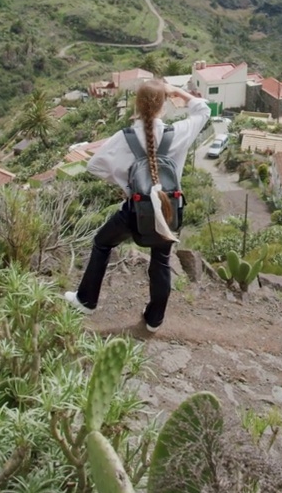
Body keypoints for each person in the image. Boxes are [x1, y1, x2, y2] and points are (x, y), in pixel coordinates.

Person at [64, 80, 211, 332]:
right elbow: (204, 110)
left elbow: (94, 166)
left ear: (137, 105)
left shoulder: (125, 137)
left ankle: (86, 301)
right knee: (161, 259)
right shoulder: (179, 132)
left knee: (102, 242)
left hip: (135, 211)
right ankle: (154, 320)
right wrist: (178, 92)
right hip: (169, 212)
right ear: (163, 106)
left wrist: (126, 185)